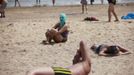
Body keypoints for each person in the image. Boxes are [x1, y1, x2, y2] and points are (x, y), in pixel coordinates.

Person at [27, 41, 91, 75]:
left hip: (67, 72)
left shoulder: (85, 64)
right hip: (65, 72)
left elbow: (83, 42)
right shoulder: (78, 68)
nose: (75, 55)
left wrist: (80, 50)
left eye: (77, 54)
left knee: (33, 72)